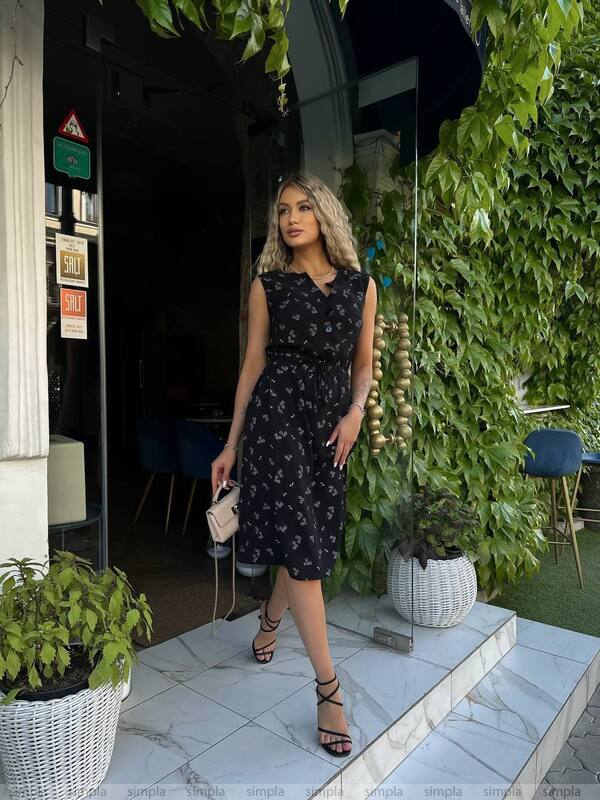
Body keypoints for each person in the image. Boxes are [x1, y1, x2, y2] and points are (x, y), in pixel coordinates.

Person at [211, 171, 376, 757]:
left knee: (306, 541)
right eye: (283, 210)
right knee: (305, 545)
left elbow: (363, 364)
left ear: (324, 214)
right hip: (277, 419)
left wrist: (356, 412)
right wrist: (231, 444)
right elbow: (252, 366)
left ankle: (269, 621)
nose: (291, 219)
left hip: (332, 428)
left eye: (303, 207)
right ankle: (328, 690)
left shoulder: (361, 287)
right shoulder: (269, 287)